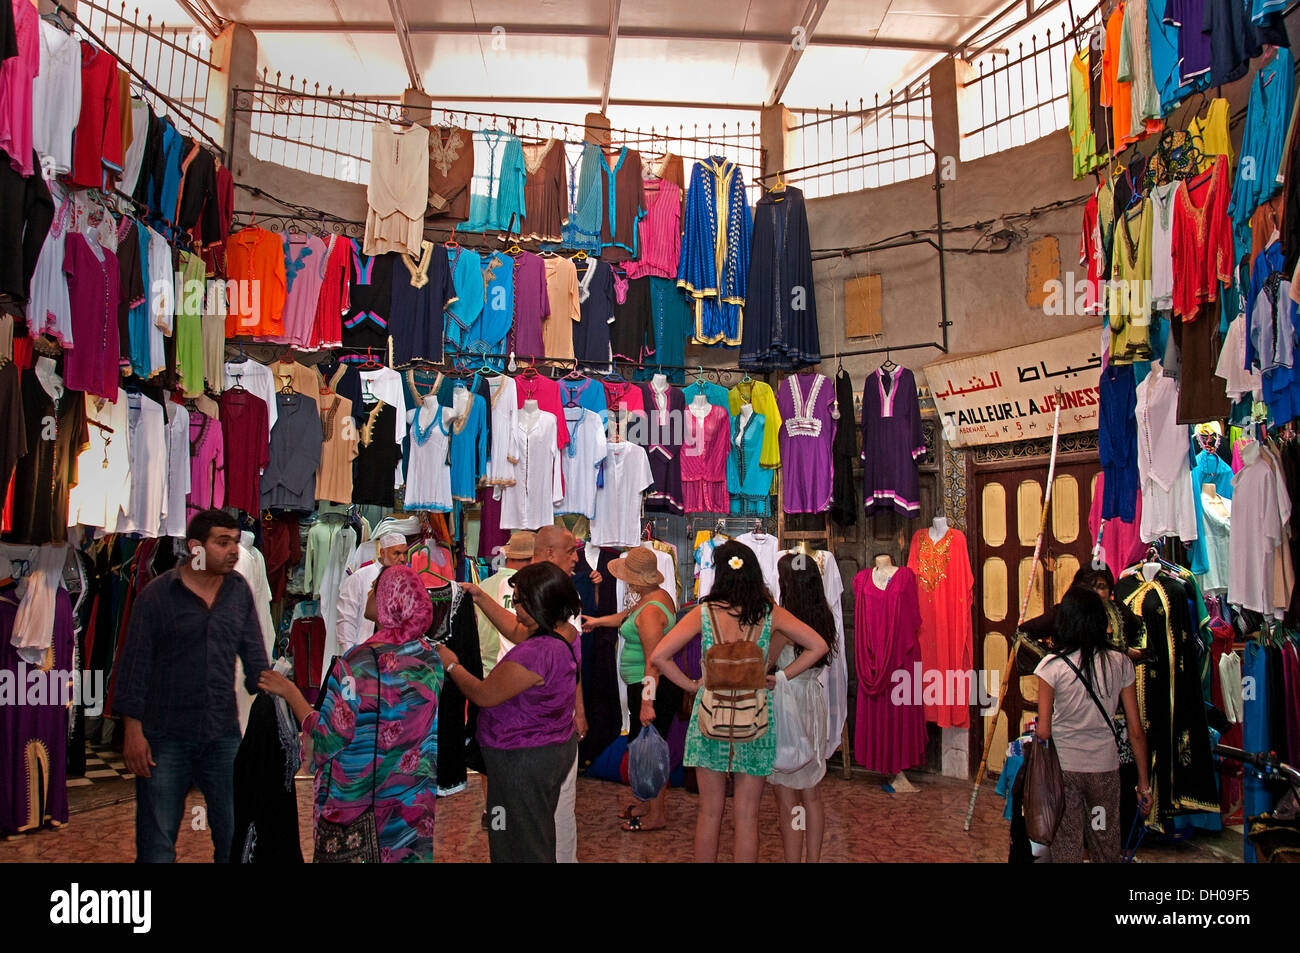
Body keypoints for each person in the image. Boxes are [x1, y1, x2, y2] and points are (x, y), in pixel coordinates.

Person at [649, 541, 828, 863]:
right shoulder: (769, 613)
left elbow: (660, 656)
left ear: (719, 574)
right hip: (755, 716)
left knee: (709, 813)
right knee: (747, 816)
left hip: (709, 715)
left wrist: (692, 685)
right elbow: (817, 645)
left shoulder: (703, 613)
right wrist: (783, 676)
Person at [115, 509, 270, 863]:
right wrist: (133, 732)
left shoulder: (238, 592)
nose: (233, 550)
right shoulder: (157, 597)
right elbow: (133, 668)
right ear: (195, 547)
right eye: (222, 542)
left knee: (234, 838)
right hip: (164, 737)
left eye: (235, 541)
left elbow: (256, 661)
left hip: (223, 736)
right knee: (157, 844)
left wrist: (283, 705)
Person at [260, 565, 442, 862]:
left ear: (389, 600)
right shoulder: (429, 657)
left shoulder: (355, 665)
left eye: (375, 589)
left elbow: (328, 739)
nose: (369, 594)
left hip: (358, 805)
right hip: (411, 802)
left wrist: (290, 693)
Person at [439, 561, 581, 862]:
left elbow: (483, 694)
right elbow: (516, 630)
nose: (514, 608)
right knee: (526, 827)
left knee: (518, 836)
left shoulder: (536, 654)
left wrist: (451, 664)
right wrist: (478, 596)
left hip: (522, 758)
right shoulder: (563, 634)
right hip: (546, 750)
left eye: (518, 601)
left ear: (537, 604)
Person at [1034, 586, 1152, 863]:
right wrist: (1143, 785)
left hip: (1065, 772)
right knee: (1103, 841)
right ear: (1101, 622)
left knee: (1067, 845)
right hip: (1104, 771)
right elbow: (1136, 731)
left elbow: (1044, 731)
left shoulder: (1051, 667)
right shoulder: (1121, 663)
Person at [582, 546, 679, 833]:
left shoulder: (650, 612)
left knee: (651, 752)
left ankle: (657, 814)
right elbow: (625, 616)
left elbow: (653, 662)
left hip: (649, 688)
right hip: (647, 687)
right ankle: (652, 806)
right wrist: (597, 622)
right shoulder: (655, 597)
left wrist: (647, 702)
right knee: (648, 747)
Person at [769, 552, 837, 862]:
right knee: (811, 791)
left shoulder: (784, 623)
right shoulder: (824, 616)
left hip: (788, 706)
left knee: (788, 796)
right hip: (813, 700)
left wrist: (780, 674)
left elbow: (765, 665)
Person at [336, 533, 409, 655]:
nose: (402, 558)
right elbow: (346, 619)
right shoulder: (360, 578)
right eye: (396, 553)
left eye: (405, 553)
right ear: (382, 553)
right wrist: (349, 654)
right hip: (366, 651)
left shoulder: (409, 579)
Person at [479, 531, 535, 673]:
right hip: (520, 675)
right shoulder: (532, 588)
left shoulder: (482, 586)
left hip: (486, 672)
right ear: (534, 558)